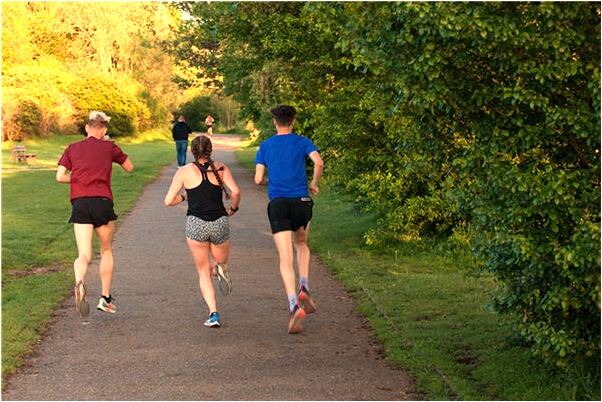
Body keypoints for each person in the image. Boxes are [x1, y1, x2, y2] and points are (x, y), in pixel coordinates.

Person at [56, 111, 134, 318]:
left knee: (84, 255)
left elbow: (59, 176)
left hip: (80, 203)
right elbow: (129, 167)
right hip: (102, 202)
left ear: (87, 128)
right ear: (105, 129)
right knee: (106, 250)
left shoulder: (72, 148)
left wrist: (80, 180)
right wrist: (110, 148)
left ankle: (80, 282)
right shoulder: (109, 147)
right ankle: (105, 298)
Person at [254, 105, 324, 334]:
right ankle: (304, 284)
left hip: (279, 204)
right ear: (292, 121)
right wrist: (313, 184)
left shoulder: (265, 146)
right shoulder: (303, 141)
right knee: (301, 244)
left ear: (275, 122)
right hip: (302, 202)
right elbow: (319, 162)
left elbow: (257, 179)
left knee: (285, 258)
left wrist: (271, 181)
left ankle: (294, 305)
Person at [164, 135, 241, 328]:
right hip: (219, 222)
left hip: (196, 225)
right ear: (210, 150)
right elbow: (236, 192)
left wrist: (184, 197)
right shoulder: (221, 168)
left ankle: (213, 313)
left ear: (192, 151)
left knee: (202, 271)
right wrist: (233, 208)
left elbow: (168, 201)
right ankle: (220, 267)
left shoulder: (183, 171)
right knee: (220, 260)